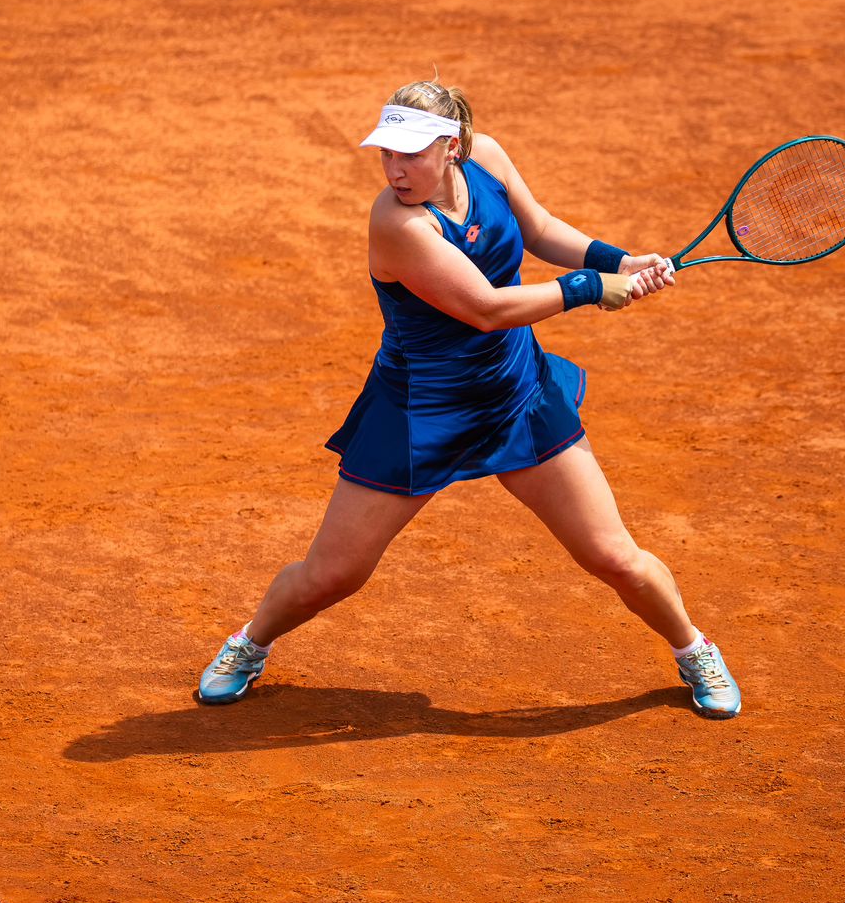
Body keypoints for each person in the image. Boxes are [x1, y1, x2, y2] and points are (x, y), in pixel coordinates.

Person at [197, 79, 741, 719]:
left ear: (451, 147)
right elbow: (486, 309)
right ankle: (249, 643)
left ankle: (694, 648)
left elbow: (538, 229)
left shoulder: (490, 158)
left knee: (614, 556)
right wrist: (592, 287)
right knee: (331, 576)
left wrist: (620, 259)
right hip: (418, 414)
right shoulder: (396, 222)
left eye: (411, 155)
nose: (395, 170)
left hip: (516, 395)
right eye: (386, 155)